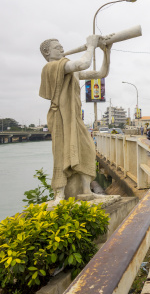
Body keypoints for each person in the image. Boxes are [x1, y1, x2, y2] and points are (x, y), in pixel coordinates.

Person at [39, 33, 112, 204]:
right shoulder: (52, 67)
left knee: (87, 149)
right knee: (62, 153)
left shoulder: (71, 71)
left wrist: (107, 51)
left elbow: (102, 72)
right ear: (47, 53)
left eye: (61, 46)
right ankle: (59, 194)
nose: (62, 49)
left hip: (75, 117)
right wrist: (91, 46)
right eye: (57, 48)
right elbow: (83, 63)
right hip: (60, 117)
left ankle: (86, 191)